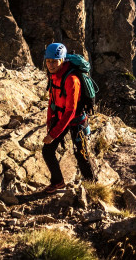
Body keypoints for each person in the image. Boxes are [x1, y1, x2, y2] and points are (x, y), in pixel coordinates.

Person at [41, 42, 97, 193]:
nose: (51, 65)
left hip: (77, 121)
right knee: (47, 151)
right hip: (60, 118)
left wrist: (53, 134)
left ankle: (93, 187)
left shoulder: (72, 79)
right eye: (48, 61)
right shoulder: (53, 75)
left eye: (54, 61)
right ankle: (58, 181)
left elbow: (71, 111)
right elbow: (52, 100)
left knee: (81, 155)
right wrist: (50, 123)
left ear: (62, 60)